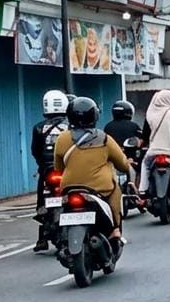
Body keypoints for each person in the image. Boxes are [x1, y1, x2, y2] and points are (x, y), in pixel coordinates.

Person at [53, 97, 130, 242]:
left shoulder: (62, 139)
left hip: (69, 187)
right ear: (94, 116)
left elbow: (58, 167)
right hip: (100, 189)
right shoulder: (104, 138)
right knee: (115, 191)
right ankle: (115, 229)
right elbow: (123, 164)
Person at [31, 89, 69, 252]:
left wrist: (42, 165)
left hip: (48, 171)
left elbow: (35, 151)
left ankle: (41, 236)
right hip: (67, 170)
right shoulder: (70, 126)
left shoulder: (39, 128)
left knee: (42, 198)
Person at [138, 90, 170, 201]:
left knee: (145, 164)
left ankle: (142, 189)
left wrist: (142, 144)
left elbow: (145, 137)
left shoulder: (150, 114)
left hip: (154, 151)